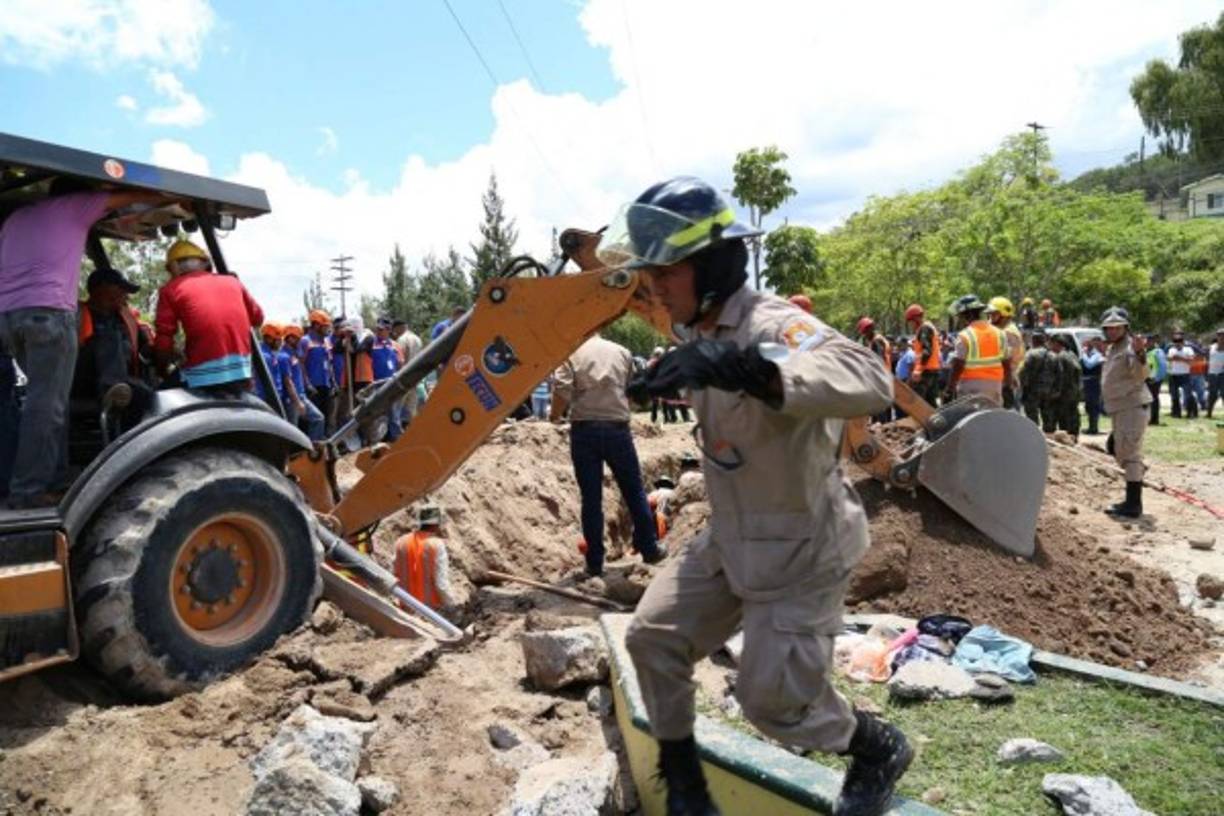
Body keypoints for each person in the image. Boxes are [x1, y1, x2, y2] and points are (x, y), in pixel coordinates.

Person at [600, 176, 906, 816]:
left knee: (773, 706)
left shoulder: (772, 325)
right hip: (733, 532)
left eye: (664, 272)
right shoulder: (698, 326)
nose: (652, 287)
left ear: (708, 267)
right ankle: (685, 785)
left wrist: (745, 369)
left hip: (804, 539)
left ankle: (874, 746)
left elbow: (869, 378)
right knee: (652, 638)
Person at [0, 181, 165, 507]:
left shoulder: (16, 218)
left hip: (8, 317)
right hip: (47, 313)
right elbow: (131, 195)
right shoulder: (73, 208)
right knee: (45, 407)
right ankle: (28, 492)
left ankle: (56, 479)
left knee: (43, 400)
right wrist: (167, 194)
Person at [551, 332, 667, 577]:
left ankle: (594, 563)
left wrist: (555, 416)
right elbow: (634, 389)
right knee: (634, 491)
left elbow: (561, 387)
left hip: (585, 430)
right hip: (617, 429)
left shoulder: (571, 353)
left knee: (591, 500)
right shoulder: (621, 352)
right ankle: (649, 548)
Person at [153, 240, 264, 397]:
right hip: (242, 372)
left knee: (154, 402)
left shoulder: (170, 290)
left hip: (201, 374)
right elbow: (258, 318)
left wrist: (161, 368)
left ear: (175, 267)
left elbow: (164, 339)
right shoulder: (233, 282)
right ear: (205, 263)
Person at [74, 266, 153, 427]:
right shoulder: (77, 315)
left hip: (122, 382)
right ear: (102, 288)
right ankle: (112, 387)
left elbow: (147, 348)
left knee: (144, 392)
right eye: (121, 289)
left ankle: (131, 443)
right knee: (109, 336)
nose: (126, 296)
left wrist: (164, 349)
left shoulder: (126, 318)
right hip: (83, 379)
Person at [1100, 307, 1150, 518]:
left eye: (1116, 328)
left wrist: (1140, 353)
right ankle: (1137, 475)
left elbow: (1140, 374)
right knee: (1119, 450)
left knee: (1129, 455)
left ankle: (1133, 505)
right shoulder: (1114, 348)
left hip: (1131, 407)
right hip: (1121, 409)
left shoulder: (1130, 347)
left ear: (1125, 328)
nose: (1112, 331)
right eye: (1108, 328)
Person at [945, 294, 1010, 407]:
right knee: (993, 419)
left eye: (961, 316)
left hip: (970, 386)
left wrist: (949, 389)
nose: (961, 319)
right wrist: (1008, 386)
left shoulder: (965, 335)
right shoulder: (999, 333)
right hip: (994, 385)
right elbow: (1006, 362)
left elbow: (958, 363)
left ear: (968, 315)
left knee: (971, 420)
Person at [281, 323, 326, 440]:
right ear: (290, 338)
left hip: (301, 395)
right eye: (297, 338)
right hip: (292, 399)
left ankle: (313, 450)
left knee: (318, 418)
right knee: (292, 431)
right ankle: (293, 456)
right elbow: (288, 382)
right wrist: (297, 402)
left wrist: (307, 385)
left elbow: (301, 369)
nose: (300, 341)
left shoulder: (294, 353)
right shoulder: (284, 356)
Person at [300, 310, 337, 433]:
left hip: (325, 385)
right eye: (325, 326)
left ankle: (324, 444)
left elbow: (329, 363)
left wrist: (333, 382)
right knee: (314, 419)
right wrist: (308, 384)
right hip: (313, 388)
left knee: (325, 417)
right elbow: (301, 364)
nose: (327, 329)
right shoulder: (305, 341)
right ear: (316, 325)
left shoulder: (326, 341)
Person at [985, 297, 1024, 410]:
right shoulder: (1002, 330)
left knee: (1008, 414)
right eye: (989, 315)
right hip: (1002, 379)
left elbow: (1006, 359)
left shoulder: (1008, 333)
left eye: (994, 315)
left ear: (1003, 315)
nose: (990, 319)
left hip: (1006, 381)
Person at [370, 316, 403, 441]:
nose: (378, 332)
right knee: (378, 413)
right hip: (376, 384)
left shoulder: (395, 346)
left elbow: (400, 364)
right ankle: (378, 439)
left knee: (394, 413)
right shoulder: (371, 344)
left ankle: (395, 438)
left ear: (389, 330)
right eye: (377, 329)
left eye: (382, 330)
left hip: (392, 383)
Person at [903, 303, 942, 406]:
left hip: (925, 372)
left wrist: (918, 370)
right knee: (931, 404)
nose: (911, 325)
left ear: (916, 319)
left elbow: (926, 351)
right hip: (932, 370)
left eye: (911, 321)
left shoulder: (924, 329)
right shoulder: (929, 327)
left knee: (918, 405)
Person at [1019, 331, 1058, 427]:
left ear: (1034, 341)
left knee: (1032, 415)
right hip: (1049, 389)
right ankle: (1049, 434)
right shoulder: (1053, 355)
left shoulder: (1030, 354)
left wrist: (1022, 386)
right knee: (1048, 415)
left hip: (1032, 390)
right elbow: (1059, 374)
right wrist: (1056, 389)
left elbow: (1023, 372)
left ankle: (1034, 435)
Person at [1048, 335, 1081, 439]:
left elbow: (1060, 376)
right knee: (1073, 415)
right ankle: (1074, 435)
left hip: (1064, 393)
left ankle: (1067, 438)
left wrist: (1055, 392)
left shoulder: (1061, 357)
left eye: (1051, 343)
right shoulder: (1072, 355)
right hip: (1074, 391)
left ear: (1057, 344)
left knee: (1064, 419)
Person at [392, 318, 422, 424]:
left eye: (395, 329)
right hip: (416, 377)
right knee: (411, 409)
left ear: (399, 327)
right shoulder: (417, 338)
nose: (394, 333)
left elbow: (400, 360)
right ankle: (412, 431)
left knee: (398, 408)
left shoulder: (402, 340)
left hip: (405, 379)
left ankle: (398, 434)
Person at [1166, 331, 1197, 419]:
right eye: (1175, 341)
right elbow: (1169, 358)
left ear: (1182, 342)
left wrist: (1179, 358)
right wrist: (1179, 359)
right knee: (1174, 395)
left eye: (1179, 341)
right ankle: (1176, 413)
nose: (1177, 343)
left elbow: (1191, 361)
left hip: (1185, 374)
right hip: (1173, 375)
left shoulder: (1188, 349)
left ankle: (1190, 412)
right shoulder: (1171, 349)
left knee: (1188, 395)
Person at [1080, 336, 1105, 435]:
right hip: (1086, 382)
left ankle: (1094, 428)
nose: (1085, 346)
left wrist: (1084, 354)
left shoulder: (1097, 355)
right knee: (1088, 406)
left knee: (1094, 405)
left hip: (1094, 382)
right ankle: (1090, 427)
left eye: (1087, 344)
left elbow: (1089, 364)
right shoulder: (1087, 354)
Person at [1145, 333, 1167, 426]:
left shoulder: (1158, 351)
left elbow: (1162, 366)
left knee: (1154, 399)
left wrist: (1157, 378)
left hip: (1154, 379)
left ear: (1153, 342)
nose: (1148, 342)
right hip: (1147, 378)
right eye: (1147, 341)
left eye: (1150, 341)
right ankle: (1149, 418)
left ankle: (1154, 419)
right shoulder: (1146, 351)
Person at [1207, 328, 1224, 419]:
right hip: (1212, 374)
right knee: (1212, 394)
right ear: (1217, 336)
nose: (1222, 337)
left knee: (1223, 393)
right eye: (1220, 335)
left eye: (1223, 335)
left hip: (1222, 374)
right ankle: (1209, 413)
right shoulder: (1212, 347)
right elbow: (1206, 358)